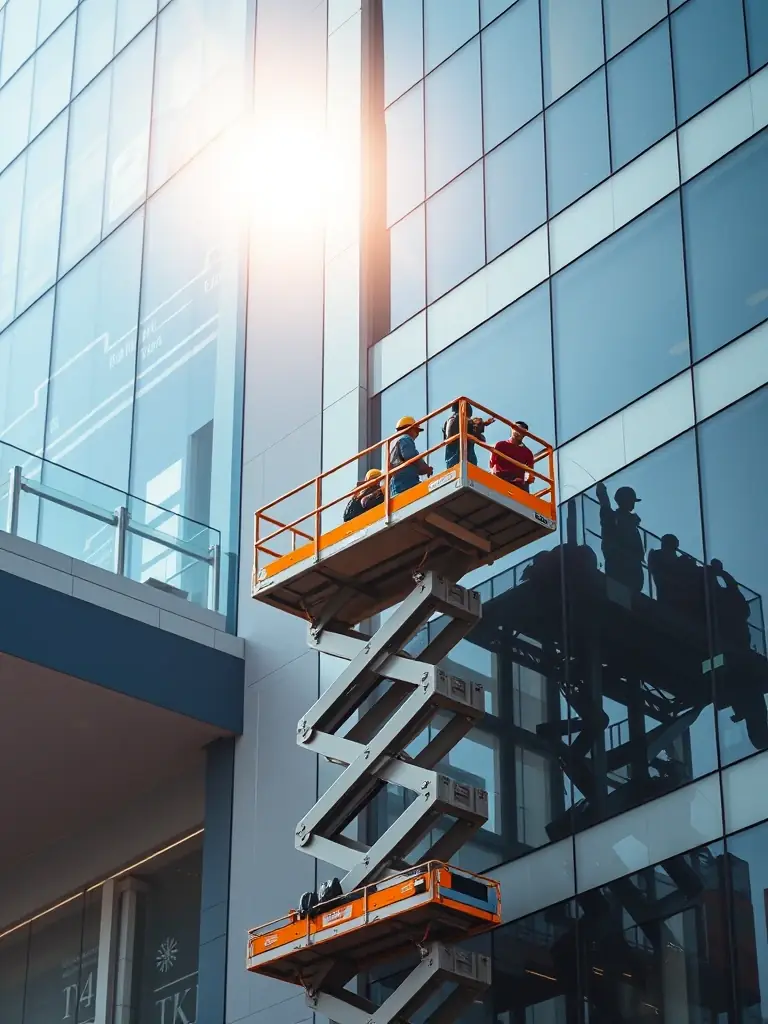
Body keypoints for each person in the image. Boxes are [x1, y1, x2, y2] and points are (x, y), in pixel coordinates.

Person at [595, 481, 645, 595]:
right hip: (619, 565)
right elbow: (604, 504)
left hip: (632, 569)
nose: (633, 504)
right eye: (632, 500)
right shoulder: (612, 517)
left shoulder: (631, 522)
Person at [442, 402, 495, 468]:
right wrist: (481, 425)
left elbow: (481, 438)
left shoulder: (458, 420)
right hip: (458, 458)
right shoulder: (456, 419)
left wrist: (482, 424)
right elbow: (451, 434)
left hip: (463, 459)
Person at [389, 415, 433, 495]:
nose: (417, 434)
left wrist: (424, 469)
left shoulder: (391, 444)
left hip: (397, 484)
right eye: (416, 430)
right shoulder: (405, 438)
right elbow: (410, 456)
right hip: (406, 482)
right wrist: (425, 467)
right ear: (409, 429)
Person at [490, 421, 534, 490]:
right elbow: (492, 464)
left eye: (522, 431)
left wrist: (529, 477)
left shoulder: (528, 453)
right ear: (512, 429)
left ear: (525, 434)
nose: (518, 432)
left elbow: (530, 472)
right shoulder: (500, 445)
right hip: (501, 479)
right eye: (517, 429)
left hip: (518, 484)